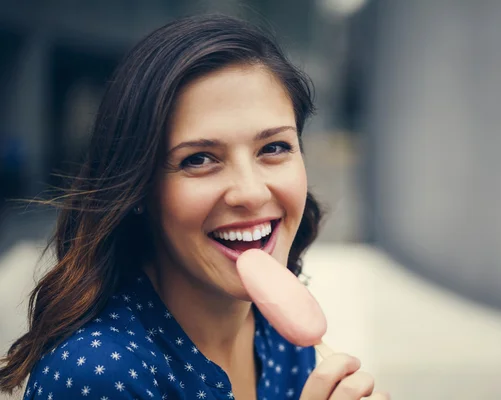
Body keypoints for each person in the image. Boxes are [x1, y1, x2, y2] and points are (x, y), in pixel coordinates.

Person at [0, 15, 388, 400]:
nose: (251, 194)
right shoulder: (96, 376)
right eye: (199, 159)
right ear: (138, 189)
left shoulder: (280, 334)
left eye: (273, 148)